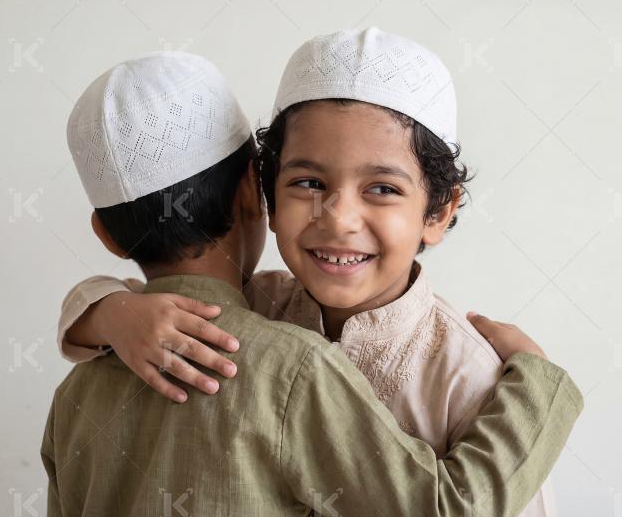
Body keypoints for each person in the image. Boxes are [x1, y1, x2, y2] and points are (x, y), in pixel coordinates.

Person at [42, 51, 583, 516]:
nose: (339, 217)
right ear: (262, 195)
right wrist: (541, 388)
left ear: (438, 211)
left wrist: (106, 308)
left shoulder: (469, 378)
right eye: (309, 183)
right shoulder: (280, 342)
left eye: (383, 189)